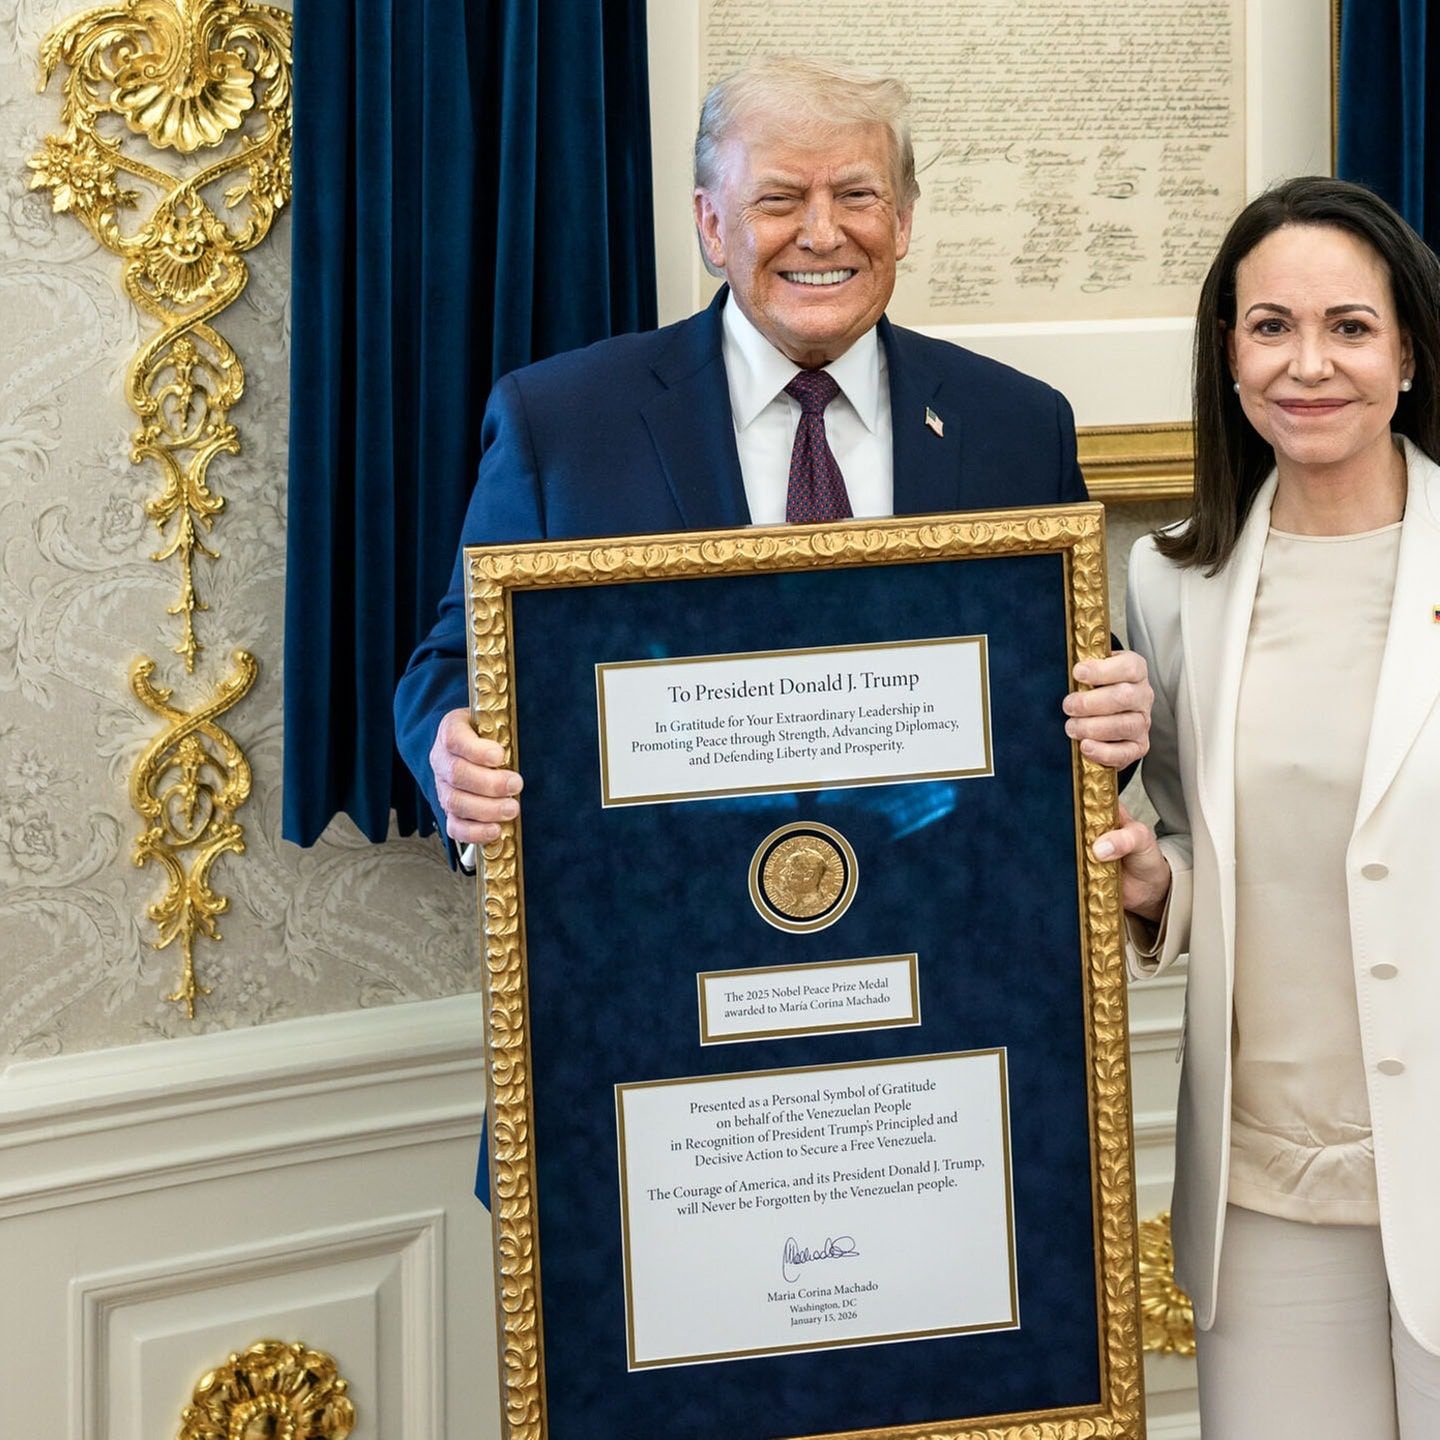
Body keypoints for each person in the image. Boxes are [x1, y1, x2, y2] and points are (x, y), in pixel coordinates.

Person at [395, 58, 1151, 848]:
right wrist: (455, 755)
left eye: (857, 195)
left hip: (943, 916)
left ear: (903, 221)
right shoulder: (561, 425)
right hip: (658, 919)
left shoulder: (1019, 425)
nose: (822, 233)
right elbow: (454, 665)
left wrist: (1114, 712)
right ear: (713, 225)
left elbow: (1064, 680)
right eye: (780, 199)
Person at [1100, 176, 1440, 1437]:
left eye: (1350, 328)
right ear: (1228, 357)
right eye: (1270, 328)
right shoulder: (1173, 578)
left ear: (1408, 352)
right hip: (1265, 1191)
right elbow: (1197, 834)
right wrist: (1154, 881)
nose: (1310, 365)